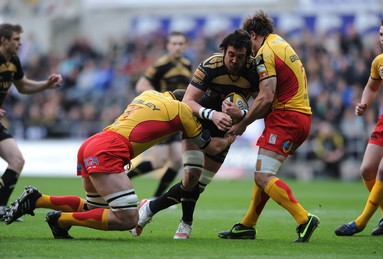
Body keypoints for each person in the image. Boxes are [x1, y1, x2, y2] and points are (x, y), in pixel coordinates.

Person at [3, 89, 235, 239]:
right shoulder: (183, 110)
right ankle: (60, 220)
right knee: (127, 218)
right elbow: (211, 148)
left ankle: (38, 199)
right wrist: (233, 132)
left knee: (96, 210)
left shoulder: (148, 94)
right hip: (110, 149)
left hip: (93, 143)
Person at [131, 29, 259, 239]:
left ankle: (149, 207)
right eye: (231, 55)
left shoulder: (253, 71)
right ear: (224, 51)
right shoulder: (211, 65)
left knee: (196, 187)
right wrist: (214, 114)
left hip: (226, 126)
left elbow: (261, 104)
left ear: (248, 56)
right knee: (190, 175)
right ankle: (186, 224)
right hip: (198, 117)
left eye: (240, 57)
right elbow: (188, 101)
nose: (235, 60)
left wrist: (242, 116)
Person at [218, 10, 320, 242]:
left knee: (263, 176)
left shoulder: (266, 52)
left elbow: (265, 97)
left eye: (248, 40)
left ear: (254, 34)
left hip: (287, 118)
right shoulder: (281, 43)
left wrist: (242, 123)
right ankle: (248, 225)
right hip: (298, 116)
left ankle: (304, 219)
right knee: (263, 174)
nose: (248, 48)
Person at [335, 16, 383, 236]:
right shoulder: (380, 61)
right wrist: (364, 103)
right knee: (367, 170)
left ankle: (360, 222)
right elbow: (372, 87)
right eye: (381, 34)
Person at [0, 23, 62, 221]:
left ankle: (0, 208)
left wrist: (46, 84)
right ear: (3, 40)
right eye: (16, 39)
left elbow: (23, 86)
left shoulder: (13, 61)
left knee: (17, 160)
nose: (20, 43)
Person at [127, 31, 192, 199]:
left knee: (177, 160)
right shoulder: (161, 65)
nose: (177, 47)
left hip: (176, 118)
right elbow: (141, 85)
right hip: (161, 117)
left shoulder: (187, 65)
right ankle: (124, 177)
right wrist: (160, 99)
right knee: (159, 162)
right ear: (168, 46)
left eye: (180, 44)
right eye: (174, 44)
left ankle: (157, 198)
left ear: (185, 46)